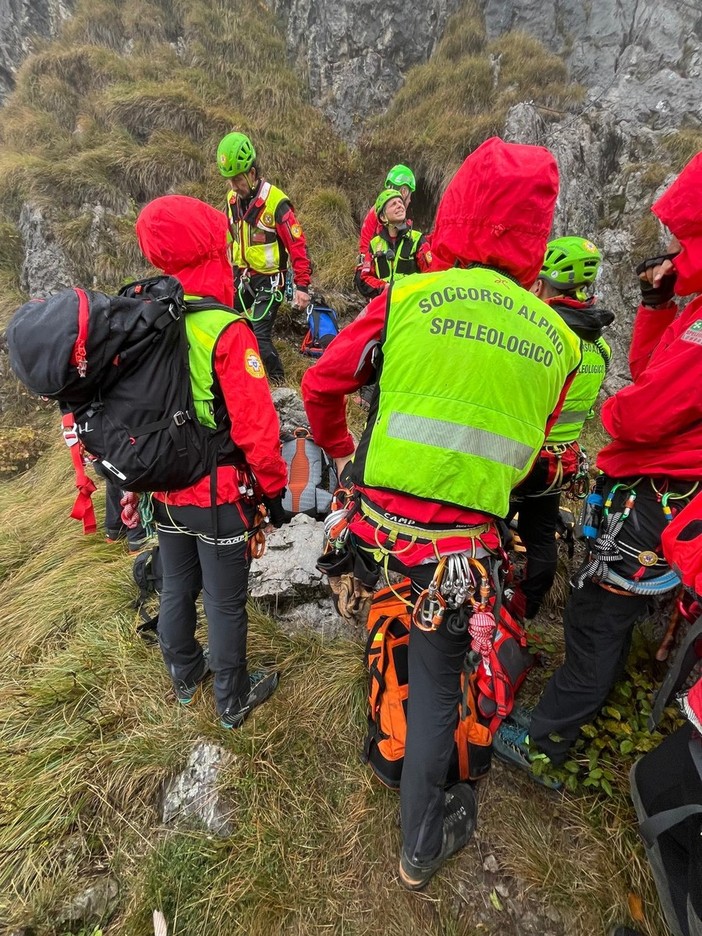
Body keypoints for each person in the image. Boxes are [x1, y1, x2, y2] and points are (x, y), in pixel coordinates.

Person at [301, 137, 581, 890]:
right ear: (537, 234)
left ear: (453, 210)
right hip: (459, 556)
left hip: (370, 532)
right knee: (437, 680)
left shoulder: (406, 299)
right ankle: (419, 843)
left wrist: (340, 451)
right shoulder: (557, 340)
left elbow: (322, 385)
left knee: (380, 625)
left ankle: (385, 741)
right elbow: (529, 463)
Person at [495, 151, 702, 778]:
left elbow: (637, 411)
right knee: (602, 613)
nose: (671, 246)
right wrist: (657, 306)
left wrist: (614, 415)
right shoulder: (692, 313)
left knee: (596, 619)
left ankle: (547, 745)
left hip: (653, 495)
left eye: (683, 236)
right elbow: (648, 372)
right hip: (651, 489)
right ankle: (571, 714)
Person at [133, 194, 288, 729]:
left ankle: (183, 673)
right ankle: (232, 698)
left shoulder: (145, 320)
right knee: (225, 603)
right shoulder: (225, 329)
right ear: (211, 249)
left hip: (165, 489)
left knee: (177, 584)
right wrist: (274, 491)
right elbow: (257, 430)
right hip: (217, 495)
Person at [507, 236, 614, 620]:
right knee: (539, 538)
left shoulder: (544, 337)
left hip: (519, 457)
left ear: (542, 283)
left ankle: (484, 602)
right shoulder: (600, 347)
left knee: (490, 524)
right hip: (560, 463)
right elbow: (583, 413)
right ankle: (525, 609)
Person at [217, 131, 313, 383]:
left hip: (271, 282)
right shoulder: (231, 200)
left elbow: (298, 246)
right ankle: (233, 373)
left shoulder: (276, 203)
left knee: (259, 335)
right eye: (229, 181)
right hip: (244, 276)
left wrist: (302, 286)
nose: (234, 187)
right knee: (223, 317)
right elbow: (230, 235)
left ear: (252, 172)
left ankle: (278, 382)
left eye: (237, 179)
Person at [354, 188, 431, 299]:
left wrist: (408, 289)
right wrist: (385, 287)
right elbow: (364, 278)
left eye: (400, 202)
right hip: (384, 306)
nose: (400, 205)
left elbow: (430, 275)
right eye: (393, 204)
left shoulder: (417, 239)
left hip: (411, 303)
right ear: (383, 217)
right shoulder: (374, 245)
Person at [358, 164, 417, 263]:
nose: (410, 200)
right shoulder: (381, 215)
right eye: (410, 195)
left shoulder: (379, 210)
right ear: (404, 191)